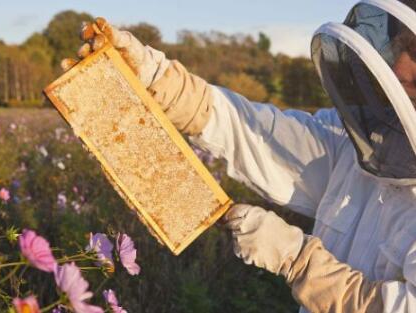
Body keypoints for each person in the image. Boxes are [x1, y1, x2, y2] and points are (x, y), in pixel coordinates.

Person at [61, 0, 416, 312]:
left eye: (415, 51)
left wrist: (300, 261)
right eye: (401, 42)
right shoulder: (354, 139)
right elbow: (257, 133)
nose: (400, 64)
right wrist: (157, 77)